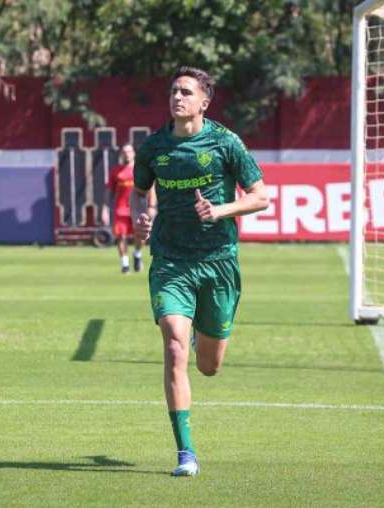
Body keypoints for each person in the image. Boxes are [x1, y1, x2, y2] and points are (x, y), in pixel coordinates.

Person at [129, 66, 269, 477]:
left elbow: (261, 196)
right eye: (173, 90)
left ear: (204, 102)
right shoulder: (154, 146)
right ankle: (186, 453)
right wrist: (142, 217)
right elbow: (140, 193)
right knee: (174, 344)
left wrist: (221, 210)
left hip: (218, 262)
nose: (178, 97)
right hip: (171, 261)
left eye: (186, 92)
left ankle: (202, 338)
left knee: (208, 366)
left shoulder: (226, 142)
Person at [102, 143, 149, 274]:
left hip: (138, 210)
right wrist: (105, 209)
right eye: (124, 152)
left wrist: (151, 206)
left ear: (134, 153)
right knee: (120, 236)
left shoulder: (141, 170)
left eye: (129, 151)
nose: (127, 154)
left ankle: (137, 254)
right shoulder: (115, 171)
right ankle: (125, 264)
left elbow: (150, 189)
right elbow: (108, 191)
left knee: (140, 236)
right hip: (120, 210)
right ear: (121, 154)